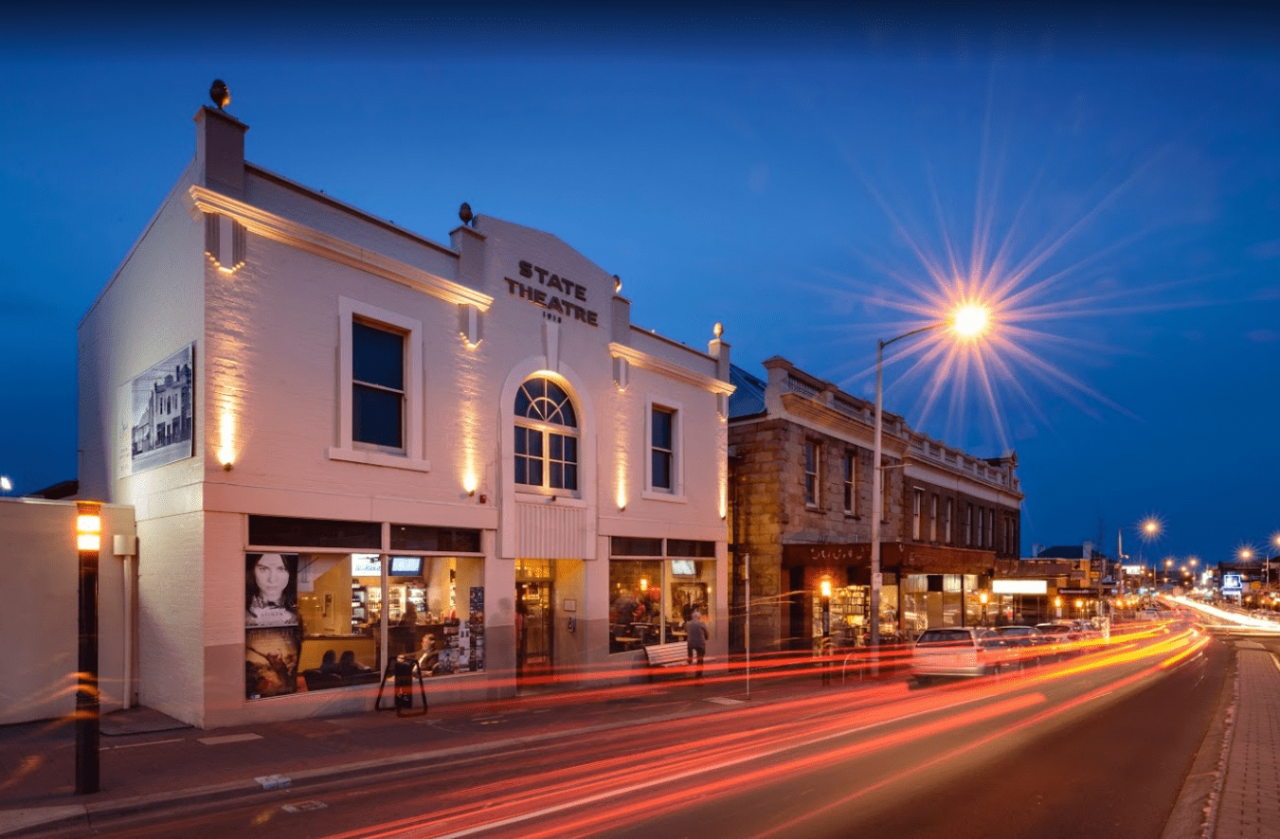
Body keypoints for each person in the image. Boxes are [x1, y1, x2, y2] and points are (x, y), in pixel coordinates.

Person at [245, 553, 299, 627]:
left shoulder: (297, 609)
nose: (272, 579)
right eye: (263, 569)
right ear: (253, 572)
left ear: (290, 573)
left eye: (281, 569)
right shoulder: (242, 610)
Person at [685, 608, 709, 678]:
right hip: (700, 643)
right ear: (699, 617)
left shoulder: (688, 624)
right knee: (700, 658)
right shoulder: (702, 624)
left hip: (691, 643)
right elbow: (707, 634)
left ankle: (690, 659)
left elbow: (686, 631)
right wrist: (706, 637)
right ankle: (698, 674)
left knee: (690, 647)